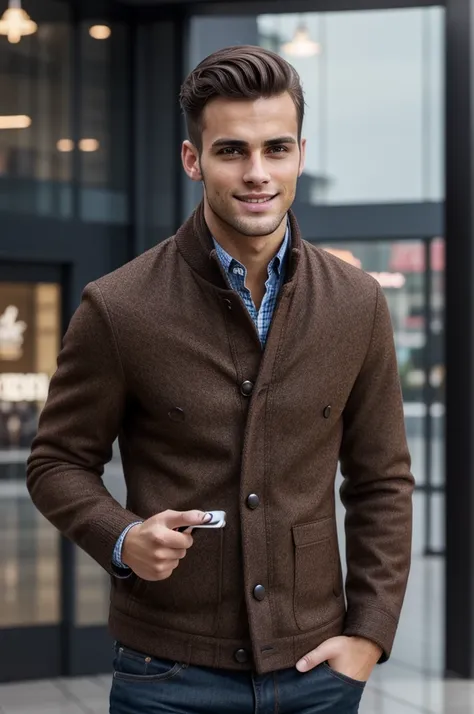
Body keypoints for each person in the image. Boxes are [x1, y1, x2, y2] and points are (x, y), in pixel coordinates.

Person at [27, 45, 414, 714]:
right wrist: (121, 538)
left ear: (299, 153)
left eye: (277, 149)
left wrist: (368, 637)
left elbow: (382, 482)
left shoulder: (358, 302)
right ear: (192, 159)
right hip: (167, 678)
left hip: (319, 672)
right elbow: (56, 461)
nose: (257, 174)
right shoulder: (119, 306)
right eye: (232, 150)